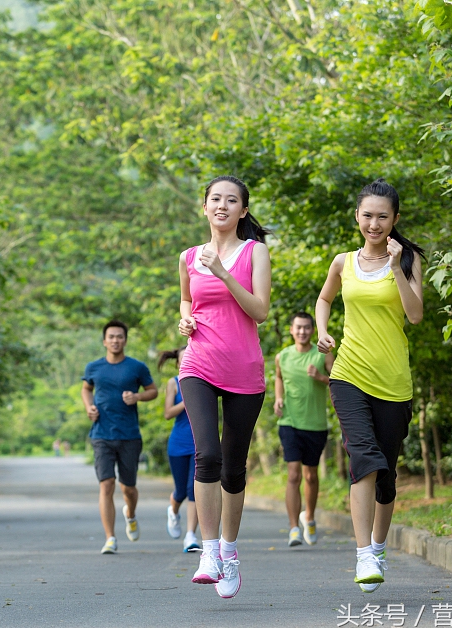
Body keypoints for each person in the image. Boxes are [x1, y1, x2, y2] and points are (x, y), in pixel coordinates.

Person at [315, 178, 423, 594]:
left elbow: (414, 316)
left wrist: (396, 267)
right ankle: (363, 555)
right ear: (357, 216)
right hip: (348, 374)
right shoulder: (343, 262)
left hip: (393, 381)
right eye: (367, 215)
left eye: (382, 216)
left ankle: (378, 546)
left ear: (394, 219)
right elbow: (325, 299)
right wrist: (324, 331)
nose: (374, 224)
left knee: (386, 475)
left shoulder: (409, 260)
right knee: (364, 457)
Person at [177, 175, 271, 599]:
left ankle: (230, 551)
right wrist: (184, 319)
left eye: (231, 200)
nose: (222, 206)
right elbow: (186, 300)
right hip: (198, 362)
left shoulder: (256, 253)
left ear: (242, 211)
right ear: (205, 207)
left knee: (234, 468)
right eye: (215, 199)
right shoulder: (188, 257)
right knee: (207, 455)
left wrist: (224, 274)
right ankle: (208, 552)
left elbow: (261, 310)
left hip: (243, 370)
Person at [81, 320, 158, 555]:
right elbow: (86, 389)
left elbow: (153, 391)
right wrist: (89, 407)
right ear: (104, 341)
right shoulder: (94, 367)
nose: (115, 340)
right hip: (101, 434)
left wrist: (137, 397)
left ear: (125, 340)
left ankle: (130, 514)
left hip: (129, 435)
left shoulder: (136, 367)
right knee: (107, 485)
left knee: (129, 488)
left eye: (120, 336)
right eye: (111, 336)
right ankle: (110, 538)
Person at [273, 311, 333, 548]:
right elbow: (278, 377)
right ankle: (293, 529)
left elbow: (340, 379)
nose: (302, 332)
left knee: (310, 475)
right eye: (298, 327)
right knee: (294, 474)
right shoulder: (282, 356)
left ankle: (308, 517)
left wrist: (320, 377)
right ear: (291, 329)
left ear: (313, 329)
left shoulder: (323, 354)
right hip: (289, 421)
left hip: (316, 424)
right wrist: (278, 398)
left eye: (307, 327)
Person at [158, 346, 200, 553]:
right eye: (182, 359)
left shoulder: (204, 381)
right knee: (181, 491)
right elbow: (167, 413)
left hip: (199, 443)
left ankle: (191, 536)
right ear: (177, 363)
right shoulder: (173, 383)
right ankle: (173, 511)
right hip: (178, 443)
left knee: (195, 490)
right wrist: (187, 401)